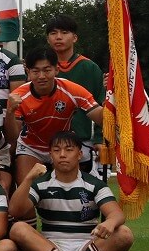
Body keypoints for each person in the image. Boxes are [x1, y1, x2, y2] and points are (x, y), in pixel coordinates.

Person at [8, 131, 133, 251]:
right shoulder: (40, 183)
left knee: (124, 234)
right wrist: (29, 178)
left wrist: (110, 222)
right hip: (50, 245)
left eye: (69, 150)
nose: (62, 154)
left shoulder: (94, 184)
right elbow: (15, 211)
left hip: (86, 245)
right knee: (18, 229)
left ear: (79, 154)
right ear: (50, 155)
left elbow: (117, 214)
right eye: (56, 150)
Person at [8, 47, 103, 182]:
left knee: (70, 190)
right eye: (36, 71)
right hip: (31, 147)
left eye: (47, 70)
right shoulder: (18, 96)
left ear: (56, 70)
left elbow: (100, 118)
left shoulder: (72, 90)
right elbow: (13, 136)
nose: (41, 76)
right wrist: (10, 112)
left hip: (61, 146)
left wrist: (115, 101)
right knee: (27, 191)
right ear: (28, 72)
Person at [45, 15, 107, 165]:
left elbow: (103, 104)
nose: (58, 37)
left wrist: (100, 138)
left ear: (75, 38)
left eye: (64, 32)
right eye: (53, 33)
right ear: (48, 39)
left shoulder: (89, 68)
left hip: (82, 142)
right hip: (46, 142)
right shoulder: (40, 69)